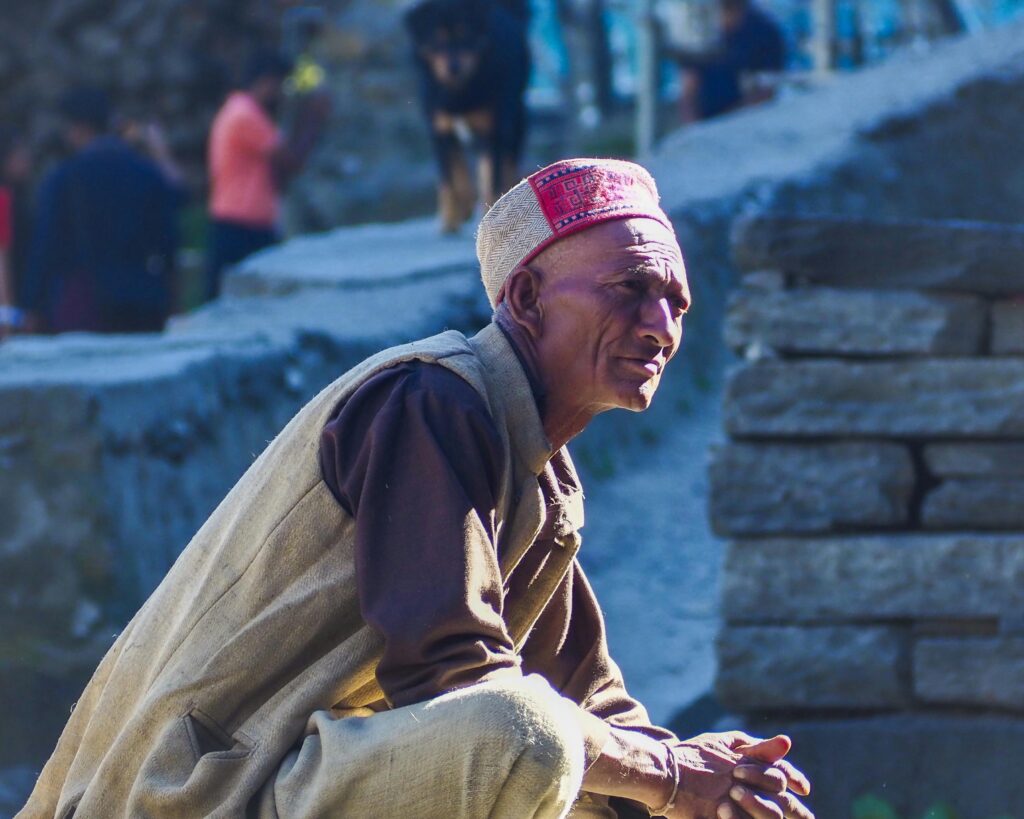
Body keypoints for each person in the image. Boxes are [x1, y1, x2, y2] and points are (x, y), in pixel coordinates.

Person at [19, 158, 814, 819]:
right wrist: (670, 775)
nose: (661, 324)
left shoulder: (537, 470)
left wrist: (723, 784)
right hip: (201, 793)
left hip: (294, 780)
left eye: (676, 300)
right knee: (525, 733)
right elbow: (458, 677)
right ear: (527, 299)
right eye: (630, 288)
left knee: (585, 754)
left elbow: (592, 699)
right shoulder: (433, 401)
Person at [22, 87, 185, 334]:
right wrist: (174, 296)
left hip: (86, 304)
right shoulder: (147, 173)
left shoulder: (64, 179)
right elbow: (168, 238)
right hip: (144, 299)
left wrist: (32, 306)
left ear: (78, 127)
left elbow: (47, 246)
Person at [205, 49, 329, 300]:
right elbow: (291, 160)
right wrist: (313, 118)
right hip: (241, 225)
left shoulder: (241, 110)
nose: (280, 94)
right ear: (265, 81)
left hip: (243, 222)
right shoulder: (246, 114)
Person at [670, 0, 786, 122]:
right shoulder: (700, 29)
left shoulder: (766, 32)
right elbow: (688, 92)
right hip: (703, 127)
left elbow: (766, 93)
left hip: (747, 125)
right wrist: (695, 129)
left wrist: (722, 124)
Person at [0, 128, 32, 338]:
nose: (27, 160)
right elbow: (2, 263)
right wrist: (8, 320)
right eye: (20, 154)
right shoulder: (3, 200)